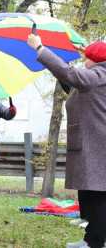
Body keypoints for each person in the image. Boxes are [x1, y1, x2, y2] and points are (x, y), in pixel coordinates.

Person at [27, 35, 106, 248]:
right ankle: (91, 239)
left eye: (87, 58)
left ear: (95, 59)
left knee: (97, 195)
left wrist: (41, 49)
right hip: (93, 145)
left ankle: (95, 243)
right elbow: (73, 85)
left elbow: (72, 75)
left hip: (96, 146)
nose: (84, 62)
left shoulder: (100, 74)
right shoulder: (96, 77)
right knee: (90, 193)